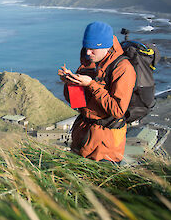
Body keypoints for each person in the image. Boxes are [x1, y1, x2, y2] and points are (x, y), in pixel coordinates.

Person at [58, 21, 136, 163]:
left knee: (98, 184)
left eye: (93, 49)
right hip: (83, 137)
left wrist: (91, 84)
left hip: (105, 147)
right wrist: (70, 82)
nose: (88, 52)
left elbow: (118, 110)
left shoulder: (123, 69)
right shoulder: (88, 62)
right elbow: (77, 103)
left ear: (106, 46)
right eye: (86, 47)